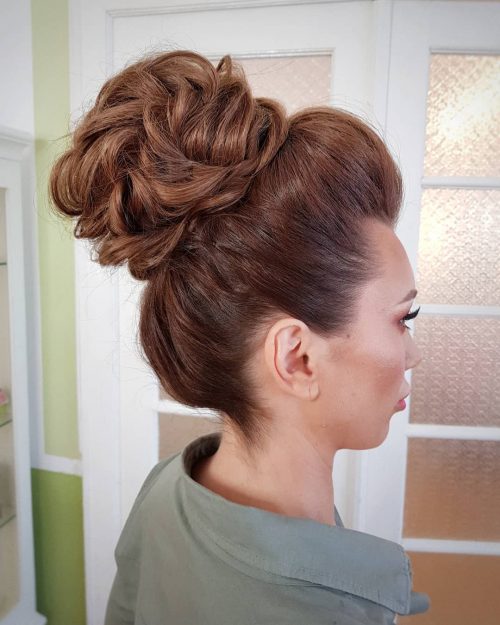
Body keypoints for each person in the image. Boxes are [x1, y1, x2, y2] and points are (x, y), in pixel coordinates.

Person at [49, 50, 430, 624]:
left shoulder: (169, 489)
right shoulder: (323, 613)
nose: (412, 353)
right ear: (297, 358)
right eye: (403, 318)